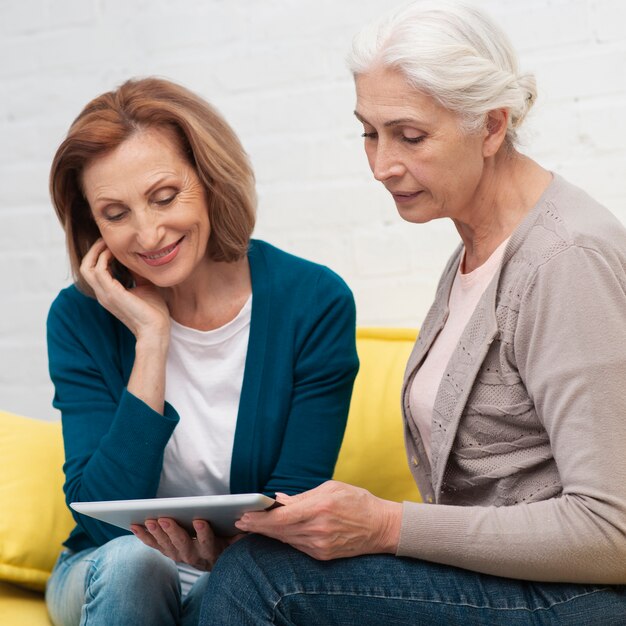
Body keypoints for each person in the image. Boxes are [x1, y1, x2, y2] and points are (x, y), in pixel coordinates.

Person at [196, 2, 626, 624]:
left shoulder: (565, 259)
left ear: (492, 126)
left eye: (410, 136)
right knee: (256, 557)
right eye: (369, 133)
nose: (380, 166)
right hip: (511, 586)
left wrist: (387, 525)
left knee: (265, 580)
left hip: (583, 601)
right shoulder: (477, 249)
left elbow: (613, 528)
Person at [44, 76, 359, 626]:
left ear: (210, 180)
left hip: (250, 573)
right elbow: (100, 523)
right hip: (105, 571)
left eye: (164, 198)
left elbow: (295, 502)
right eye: (115, 214)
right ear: (92, 225)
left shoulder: (313, 302)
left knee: (241, 589)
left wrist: (230, 560)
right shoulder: (78, 318)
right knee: (137, 565)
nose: (147, 234)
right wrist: (152, 341)